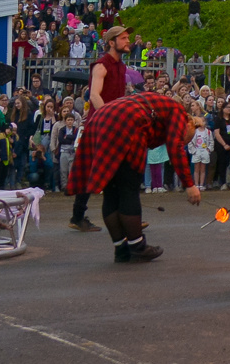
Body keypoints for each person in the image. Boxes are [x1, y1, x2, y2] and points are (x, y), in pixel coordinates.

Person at [67, 92, 201, 264]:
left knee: (112, 191)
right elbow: (175, 147)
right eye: (186, 138)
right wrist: (189, 185)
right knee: (128, 188)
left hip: (101, 118)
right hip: (125, 121)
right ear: (190, 122)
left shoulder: (159, 105)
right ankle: (137, 247)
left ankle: (121, 249)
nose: (183, 141)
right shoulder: (179, 113)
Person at [70, 23, 133, 231]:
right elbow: (95, 95)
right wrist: (109, 117)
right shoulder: (101, 65)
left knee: (119, 169)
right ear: (111, 43)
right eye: (123, 38)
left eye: (127, 38)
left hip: (114, 123)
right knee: (91, 170)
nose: (128, 41)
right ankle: (78, 217)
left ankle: (127, 214)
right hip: (101, 124)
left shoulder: (121, 66)